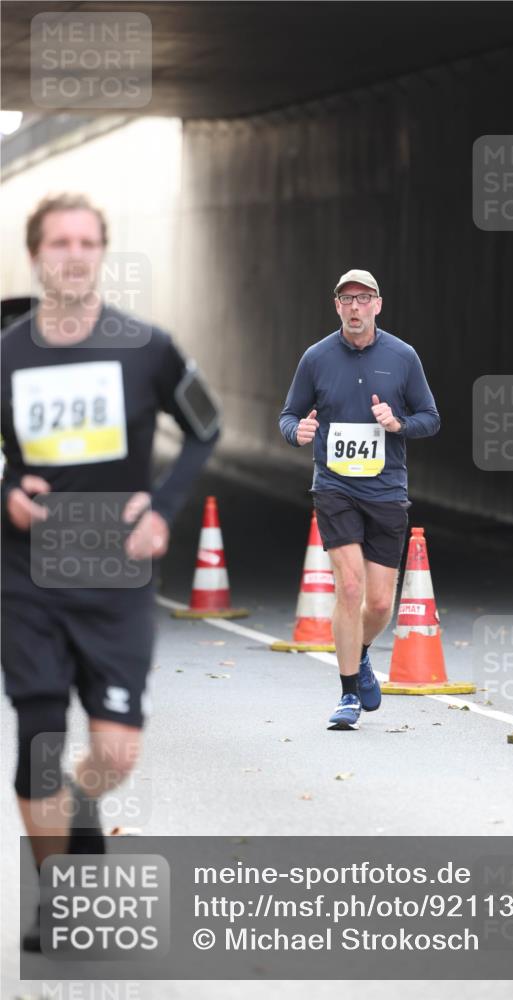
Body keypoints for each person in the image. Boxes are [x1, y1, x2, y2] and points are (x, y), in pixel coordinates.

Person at [1, 193, 220, 949]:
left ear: (101, 252)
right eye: (58, 241)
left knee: (115, 752)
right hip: (26, 574)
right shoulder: (8, 352)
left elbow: (204, 425)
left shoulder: (145, 347)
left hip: (115, 574)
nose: (72, 253)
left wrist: (161, 509)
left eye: (86, 241)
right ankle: (55, 898)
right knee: (37, 736)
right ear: (37, 254)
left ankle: (80, 803)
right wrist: (7, 493)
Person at [279, 269, 440, 730]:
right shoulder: (316, 358)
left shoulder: (403, 357)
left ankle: (361, 652)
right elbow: (288, 414)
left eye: (363, 298)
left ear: (377, 305)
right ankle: (348, 694)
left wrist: (398, 424)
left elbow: (431, 417)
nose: (354, 306)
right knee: (348, 587)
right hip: (334, 487)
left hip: (387, 489)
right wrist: (297, 432)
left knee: (378, 605)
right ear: (336, 306)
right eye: (346, 299)